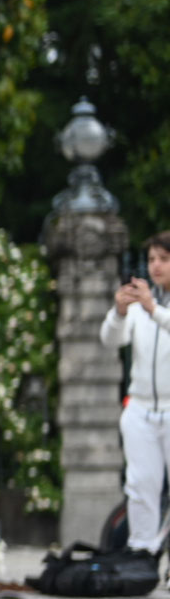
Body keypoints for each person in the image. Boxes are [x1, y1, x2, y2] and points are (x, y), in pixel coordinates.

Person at [101, 229, 170, 558]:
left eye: (164, 259)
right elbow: (110, 340)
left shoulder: (151, 307)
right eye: (152, 259)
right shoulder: (142, 306)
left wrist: (153, 309)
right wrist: (119, 313)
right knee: (142, 486)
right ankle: (142, 556)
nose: (155, 266)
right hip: (141, 409)